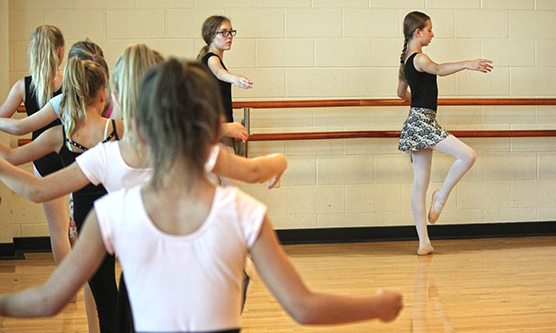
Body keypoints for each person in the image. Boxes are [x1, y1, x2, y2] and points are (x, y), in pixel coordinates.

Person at [0, 59, 403, 332]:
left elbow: (48, 300)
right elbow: (303, 307)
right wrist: (378, 305)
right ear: (214, 132)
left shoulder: (111, 213)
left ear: (137, 132)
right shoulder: (245, 213)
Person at [0, 44, 285, 332]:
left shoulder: (107, 155)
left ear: (113, 96)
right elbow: (257, 169)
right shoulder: (186, 146)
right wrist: (280, 161)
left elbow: (36, 191)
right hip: (198, 280)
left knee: (114, 305)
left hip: (166, 280)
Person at [0, 48, 124, 332]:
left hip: (89, 221)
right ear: (103, 95)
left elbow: (11, 158)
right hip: (120, 216)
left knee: (105, 297)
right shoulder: (120, 129)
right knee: (128, 294)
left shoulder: (59, 135)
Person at [396, 11, 493, 256]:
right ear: (417, 32)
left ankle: (424, 243)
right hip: (423, 122)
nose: (432, 34)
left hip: (416, 120)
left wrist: (417, 102)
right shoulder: (419, 58)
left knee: (420, 184)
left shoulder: (404, 61)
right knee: (468, 155)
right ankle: (440, 197)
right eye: (429, 30)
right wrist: (467, 64)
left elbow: (400, 93)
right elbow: (437, 68)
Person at [0, 25, 70, 266]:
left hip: (43, 157)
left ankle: (68, 291)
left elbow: (3, 118)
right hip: (72, 154)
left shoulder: (23, 85)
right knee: (78, 225)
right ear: (60, 52)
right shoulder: (72, 82)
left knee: (59, 231)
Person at [198, 15, 252, 155]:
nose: (229, 36)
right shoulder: (211, 58)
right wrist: (234, 78)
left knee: (216, 177)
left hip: (217, 128)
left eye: (230, 32)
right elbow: (218, 72)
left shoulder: (212, 58)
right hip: (218, 129)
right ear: (211, 37)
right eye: (223, 32)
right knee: (230, 175)